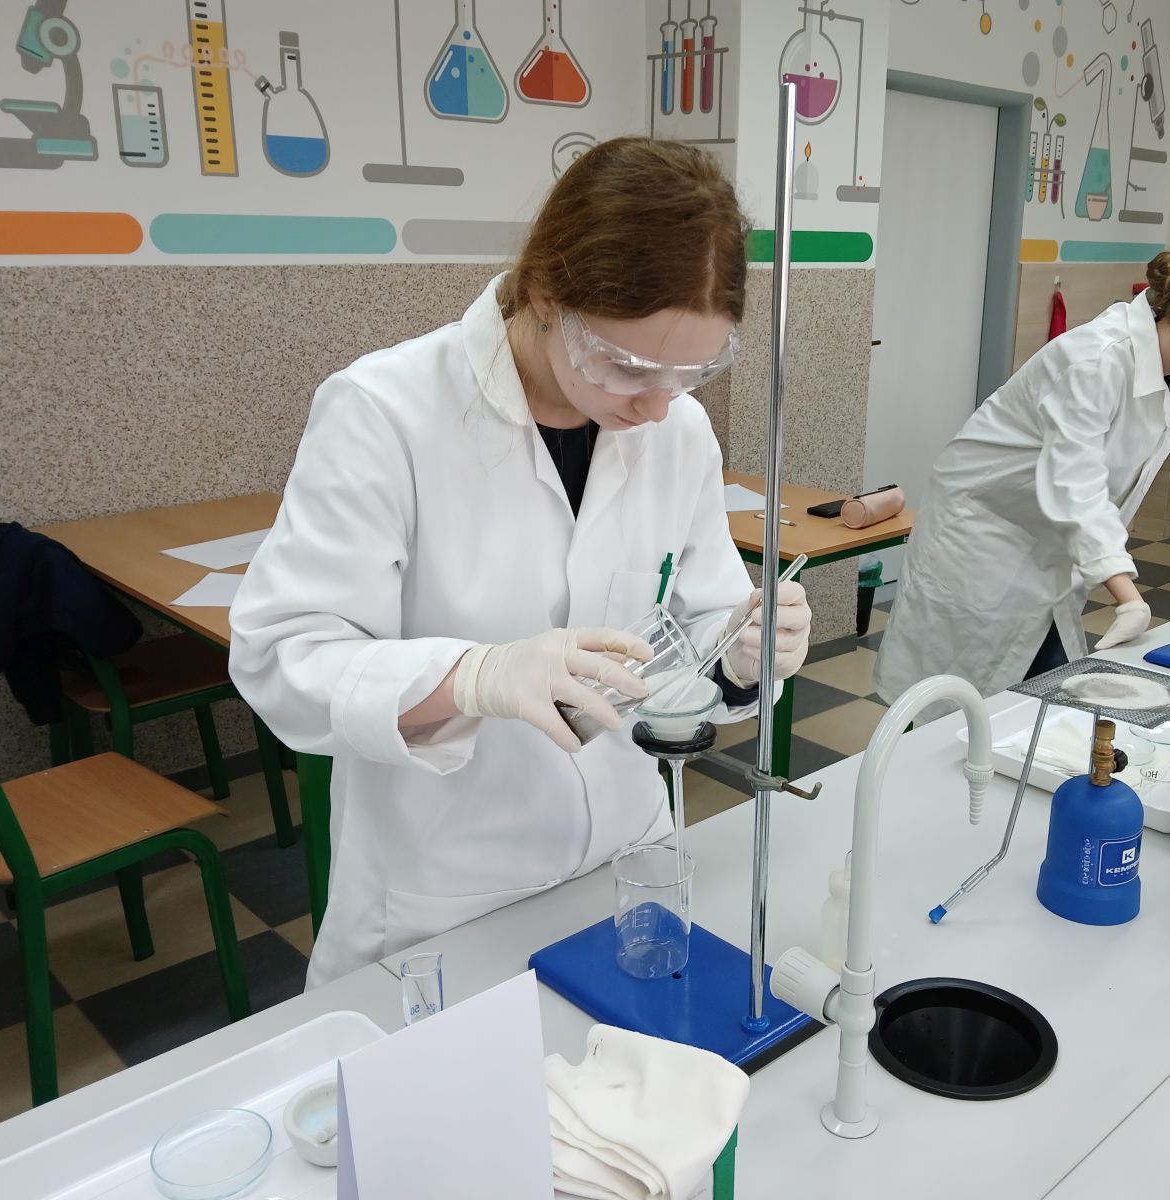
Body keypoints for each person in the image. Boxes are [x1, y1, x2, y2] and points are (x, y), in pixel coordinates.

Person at [230, 137, 813, 987]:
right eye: (627, 366)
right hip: (449, 890)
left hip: (628, 859)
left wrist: (737, 658)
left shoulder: (679, 432)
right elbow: (285, 658)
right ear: (545, 296)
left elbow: (692, 629)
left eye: (691, 372)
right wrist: (473, 678)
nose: (656, 405)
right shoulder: (386, 412)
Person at [874, 247, 1170, 709]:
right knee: (951, 703)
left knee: (1028, 697)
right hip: (984, 540)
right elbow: (1076, 484)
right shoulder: (1093, 361)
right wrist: (1127, 594)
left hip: (1051, 544)